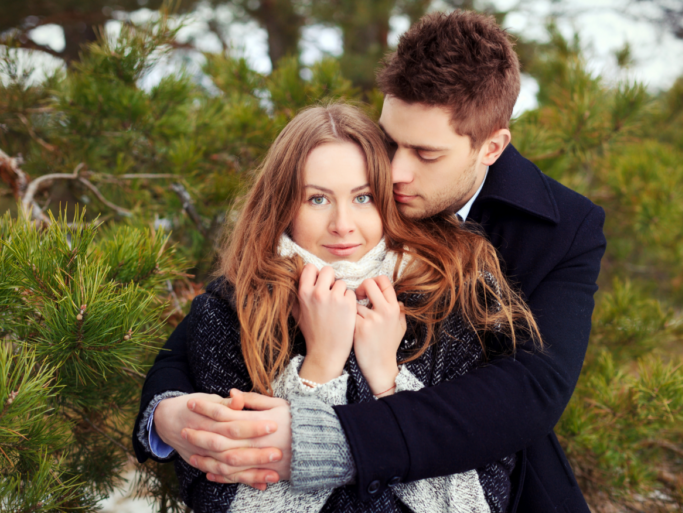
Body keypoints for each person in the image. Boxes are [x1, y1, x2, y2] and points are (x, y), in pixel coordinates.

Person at [132, 10, 607, 513]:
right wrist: (165, 413)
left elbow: (530, 392)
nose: (394, 173)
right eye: (389, 141)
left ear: (491, 147)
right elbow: (214, 324)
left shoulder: (555, 232)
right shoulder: (350, 185)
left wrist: (326, 437)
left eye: (425, 154)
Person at [171, 102, 539, 512]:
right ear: (283, 206)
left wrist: (388, 380)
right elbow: (221, 500)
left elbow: (480, 503)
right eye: (317, 199)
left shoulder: (453, 293)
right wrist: (320, 369)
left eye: (363, 197)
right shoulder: (229, 314)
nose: (342, 224)